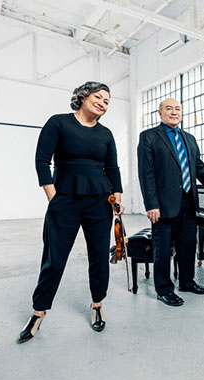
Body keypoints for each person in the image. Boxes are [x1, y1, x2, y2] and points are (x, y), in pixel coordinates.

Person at [18, 81, 124, 343]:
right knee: (54, 257)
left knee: (99, 256)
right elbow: (42, 160)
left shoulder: (106, 133)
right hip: (65, 199)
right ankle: (38, 312)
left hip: (100, 201)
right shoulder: (59, 123)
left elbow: (112, 168)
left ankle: (97, 304)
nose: (103, 103)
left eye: (107, 101)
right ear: (83, 96)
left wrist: (117, 197)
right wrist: (53, 197)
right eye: (98, 97)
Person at [137, 97, 204, 307]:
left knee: (188, 245)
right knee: (162, 249)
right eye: (169, 108)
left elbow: (199, 167)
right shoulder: (149, 137)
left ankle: (187, 282)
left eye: (178, 109)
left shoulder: (189, 138)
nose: (174, 112)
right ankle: (164, 289)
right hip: (162, 205)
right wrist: (151, 204)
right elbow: (146, 174)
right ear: (160, 113)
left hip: (189, 201)